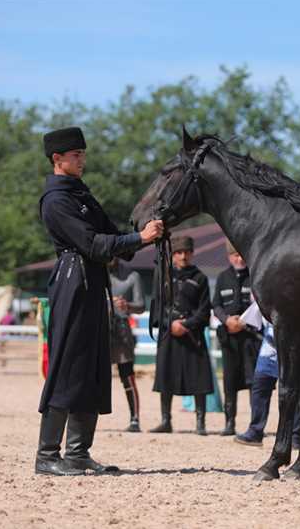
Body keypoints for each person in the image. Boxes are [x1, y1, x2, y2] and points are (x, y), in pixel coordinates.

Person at [35, 126, 164, 476]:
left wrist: (142, 232)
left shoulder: (80, 194)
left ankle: (78, 453)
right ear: (57, 159)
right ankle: (47, 454)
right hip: (73, 283)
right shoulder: (57, 200)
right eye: (76, 155)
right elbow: (93, 244)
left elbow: (110, 232)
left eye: (83, 154)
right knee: (67, 363)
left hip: (92, 283)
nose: (82, 160)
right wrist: (140, 238)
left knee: (92, 364)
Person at [149, 235, 213, 436]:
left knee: (198, 378)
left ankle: (200, 423)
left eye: (186, 252)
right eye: (178, 252)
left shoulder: (200, 278)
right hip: (169, 333)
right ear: (173, 255)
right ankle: (166, 420)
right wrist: (170, 323)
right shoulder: (162, 275)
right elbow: (157, 307)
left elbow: (204, 311)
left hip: (192, 334)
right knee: (165, 375)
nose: (183, 256)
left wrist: (186, 324)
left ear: (192, 253)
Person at [234, 301, 300, 447]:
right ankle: (255, 431)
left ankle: (296, 436)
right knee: (260, 386)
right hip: (270, 344)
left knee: (294, 390)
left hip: (295, 343)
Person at [212, 240, 259, 436]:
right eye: (235, 255)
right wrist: (226, 320)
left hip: (250, 337)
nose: (239, 259)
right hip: (229, 337)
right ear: (229, 257)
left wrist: (243, 322)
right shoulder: (222, 277)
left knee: (252, 382)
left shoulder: (255, 276)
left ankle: (255, 424)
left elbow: (259, 304)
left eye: (241, 255)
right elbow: (216, 305)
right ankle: (229, 422)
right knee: (230, 381)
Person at [108, 257, 145, 433]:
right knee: (91, 376)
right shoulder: (94, 270)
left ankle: (135, 419)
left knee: (127, 375)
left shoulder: (132, 275)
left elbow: (141, 306)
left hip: (121, 328)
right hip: (98, 327)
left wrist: (127, 305)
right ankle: (83, 418)